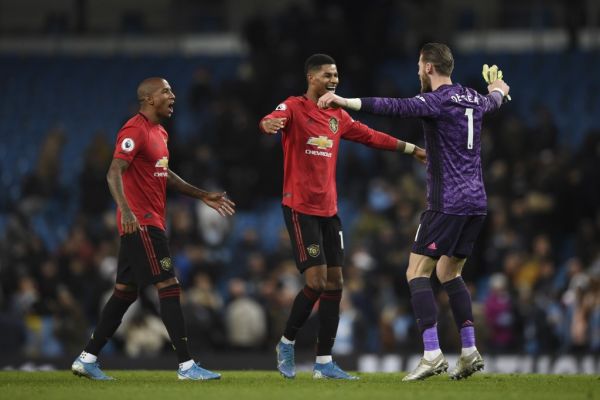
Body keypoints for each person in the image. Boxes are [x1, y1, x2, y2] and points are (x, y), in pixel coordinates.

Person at [318, 43, 510, 381]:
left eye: (420, 66)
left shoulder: (436, 101)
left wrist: (345, 101)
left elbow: (393, 106)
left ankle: (432, 353)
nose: (418, 71)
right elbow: (494, 100)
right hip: (477, 203)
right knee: (450, 273)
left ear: (429, 68)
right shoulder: (474, 99)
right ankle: (468, 351)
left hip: (446, 203)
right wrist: (498, 89)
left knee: (416, 272)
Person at [259, 54, 426, 380]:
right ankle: (286, 342)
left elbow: (372, 136)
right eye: (327, 75)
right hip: (299, 208)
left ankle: (324, 362)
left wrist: (412, 149)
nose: (334, 80)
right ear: (311, 77)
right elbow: (269, 119)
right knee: (316, 282)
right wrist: (267, 124)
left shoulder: (338, 115)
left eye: (336, 75)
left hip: (330, 212)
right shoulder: (292, 107)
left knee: (336, 283)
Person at [71, 77, 236, 381]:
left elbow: (164, 174)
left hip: (151, 221)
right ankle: (187, 366)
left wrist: (202, 194)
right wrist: (127, 210)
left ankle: (87, 357)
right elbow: (113, 172)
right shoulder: (134, 129)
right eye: (166, 91)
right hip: (142, 222)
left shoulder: (160, 132)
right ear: (148, 99)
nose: (173, 95)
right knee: (169, 286)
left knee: (124, 292)